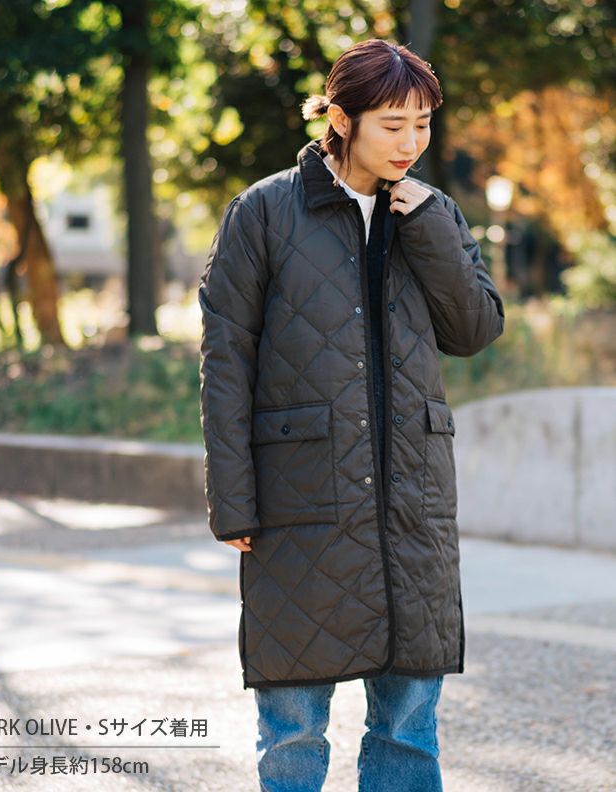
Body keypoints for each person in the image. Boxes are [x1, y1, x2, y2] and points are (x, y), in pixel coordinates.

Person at [198, 38, 505, 792]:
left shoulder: (433, 212)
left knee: (408, 726)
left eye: (423, 124)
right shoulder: (264, 212)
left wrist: (429, 226)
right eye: (393, 125)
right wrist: (233, 499)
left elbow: (474, 331)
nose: (411, 142)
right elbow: (227, 360)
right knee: (294, 727)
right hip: (301, 496)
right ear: (341, 119)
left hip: (412, 501)